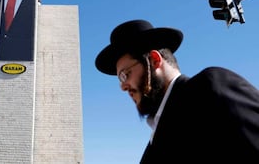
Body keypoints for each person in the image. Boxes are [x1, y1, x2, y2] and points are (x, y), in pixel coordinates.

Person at [95, 19, 259, 163]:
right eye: (120, 79)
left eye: (126, 75)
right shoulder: (152, 146)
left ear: (154, 60)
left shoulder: (208, 89)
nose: (123, 86)